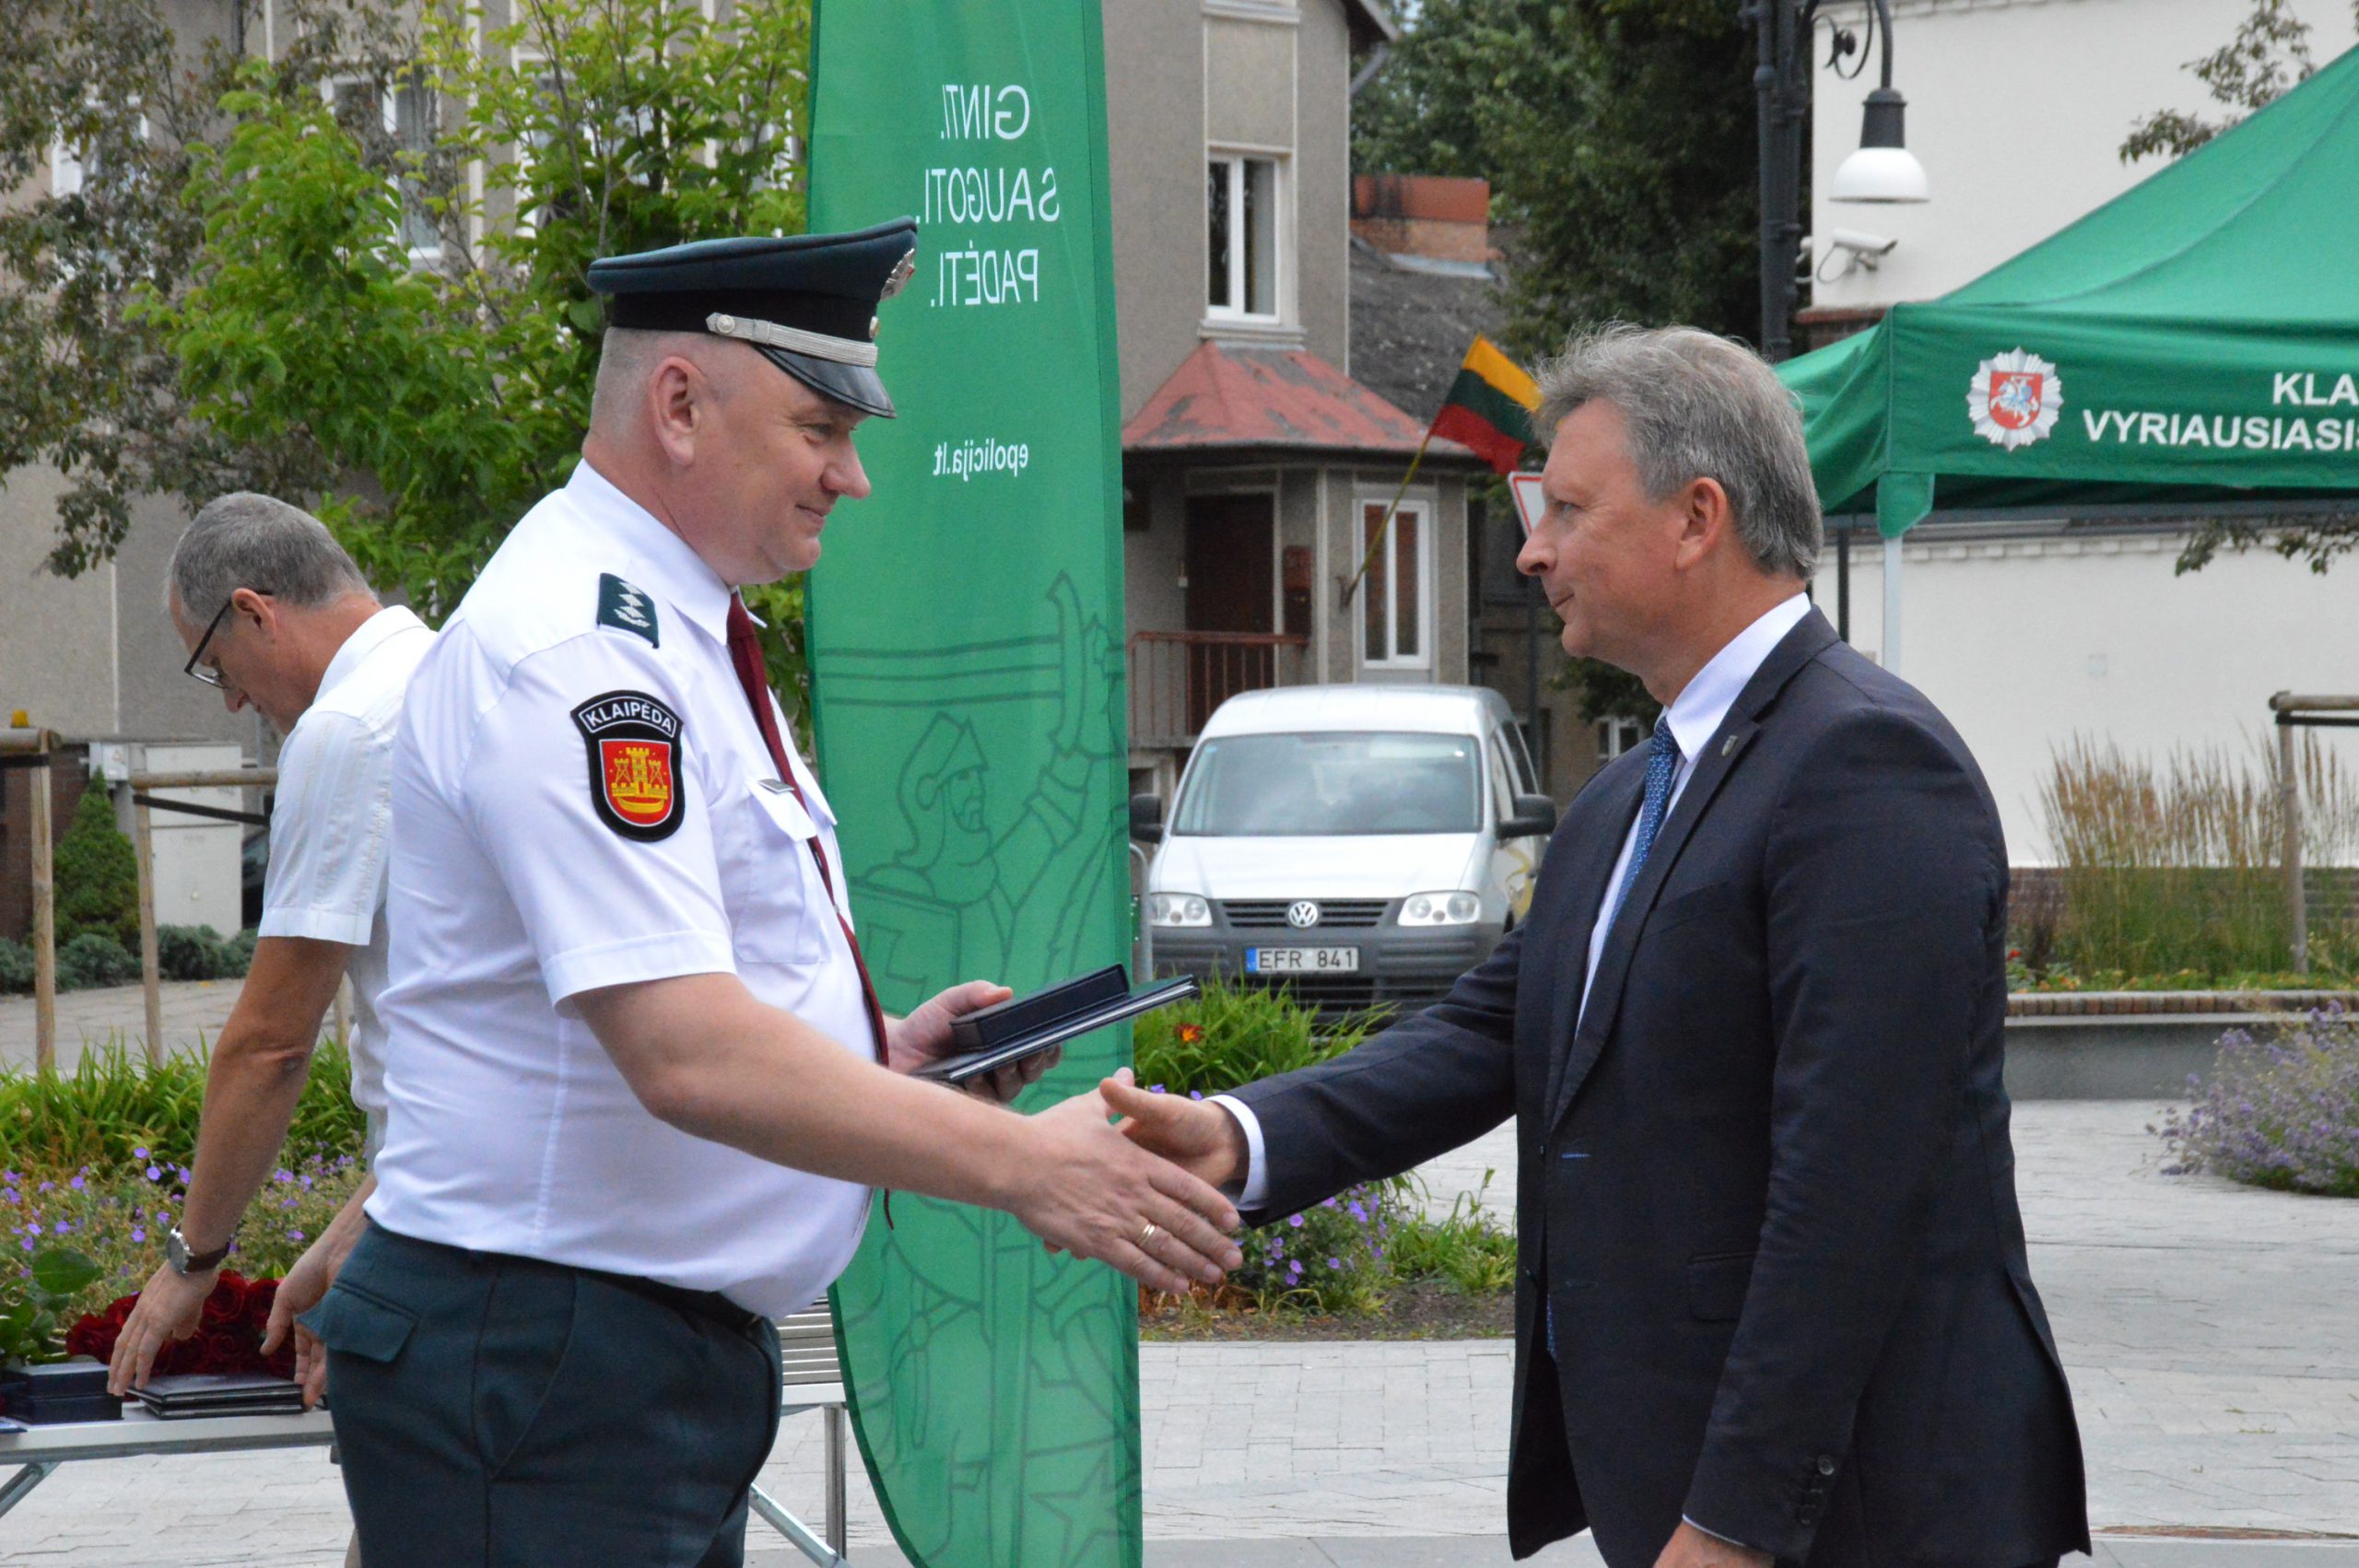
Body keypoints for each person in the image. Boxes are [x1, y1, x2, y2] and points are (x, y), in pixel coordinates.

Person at [299, 219, 1243, 1568]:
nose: (852, 476)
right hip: (549, 1366)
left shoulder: (662, 622)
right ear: (680, 405)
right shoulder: (582, 649)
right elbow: (683, 1050)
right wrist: (1030, 1166)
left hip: (603, 1358)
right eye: (820, 427)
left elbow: (693, 987)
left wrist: (877, 1060)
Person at [1110, 325, 2091, 1568]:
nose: (1533, 551)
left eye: (1569, 510)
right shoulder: (1632, 792)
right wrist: (1241, 1136)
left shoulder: (1867, 763)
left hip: (1858, 1508)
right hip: (1686, 1481)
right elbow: (1490, 1030)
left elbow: (1850, 1191)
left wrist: (1734, 1521)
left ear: (1697, 518)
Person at [109, 494, 434, 1414]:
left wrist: (192, 1260)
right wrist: (354, 1229)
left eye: (218, 666)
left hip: (469, 1247)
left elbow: (272, 1043)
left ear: (254, 611)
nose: (235, 698)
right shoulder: (448, 675)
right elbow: (501, 1028)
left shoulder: (349, 726)